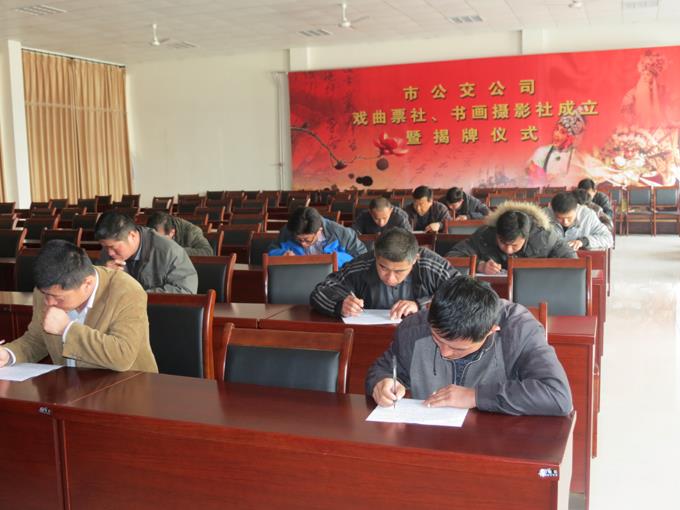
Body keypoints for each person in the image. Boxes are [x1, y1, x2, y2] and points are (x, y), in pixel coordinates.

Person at [366, 276, 572, 415]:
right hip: (430, 439)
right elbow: (383, 368)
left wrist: (475, 396)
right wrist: (381, 382)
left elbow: (557, 395)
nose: (445, 352)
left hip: (498, 441)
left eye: (458, 348)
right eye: (437, 339)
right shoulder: (414, 328)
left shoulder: (519, 331)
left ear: (491, 330)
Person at [0, 240, 158, 372]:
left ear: (87, 284)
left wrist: (67, 329)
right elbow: (36, 340)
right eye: (45, 294)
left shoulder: (127, 291)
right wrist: (8, 354)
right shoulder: (46, 291)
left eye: (57, 297)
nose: (49, 302)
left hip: (126, 388)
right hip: (72, 388)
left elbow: (122, 356)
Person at [310, 228, 457, 319]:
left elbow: (464, 295)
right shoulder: (363, 264)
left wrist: (421, 306)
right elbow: (320, 292)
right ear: (376, 255)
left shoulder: (431, 265)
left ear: (414, 260)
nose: (390, 279)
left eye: (399, 271)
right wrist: (340, 304)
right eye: (383, 267)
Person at [447, 201, 576, 275]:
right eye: (502, 242)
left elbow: (573, 262)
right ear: (496, 233)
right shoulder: (485, 235)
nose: (508, 250)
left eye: (514, 245)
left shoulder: (545, 237)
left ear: (526, 237)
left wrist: (544, 270)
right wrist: (479, 266)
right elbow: (452, 257)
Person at [95, 212, 198, 294]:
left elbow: (186, 290)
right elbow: (94, 286)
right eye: (105, 247)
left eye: (113, 247)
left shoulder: (168, 251)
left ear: (132, 236)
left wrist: (140, 295)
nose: (110, 253)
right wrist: (104, 276)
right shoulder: (107, 250)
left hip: (157, 310)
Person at [269, 207, 366, 267]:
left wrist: (335, 259)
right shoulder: (287, 231)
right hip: (298, 277)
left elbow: (363, 259)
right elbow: (271, 251)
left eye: (307, 240)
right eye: (298, 240)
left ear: (319, 231)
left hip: (335, 280)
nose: (303, 244)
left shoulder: (342, 233)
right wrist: (282, 254)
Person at [527, 111, 586, 187]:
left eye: (562, 132)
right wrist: (543, 177)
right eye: (556, 129)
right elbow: (532, 172)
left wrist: (559, 178)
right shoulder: (542, 152)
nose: (556, 134)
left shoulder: (577, 158)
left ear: (571, 137)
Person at [546, 192, 614, 251]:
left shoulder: (588, 215)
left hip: (583, 258)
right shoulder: (544, 215)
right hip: (552, 258)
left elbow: (608, 239)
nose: (565, 222)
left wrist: (584, 241)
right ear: (553, 211)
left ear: (576, 209)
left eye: (569, 218)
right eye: (559, 218)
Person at [147, 211, 213, 256]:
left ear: (172, 233)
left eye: (160, 239)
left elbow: (207, 252)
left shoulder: (192, 232)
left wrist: (175, 251)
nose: (157, 243)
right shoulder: (147, 233)